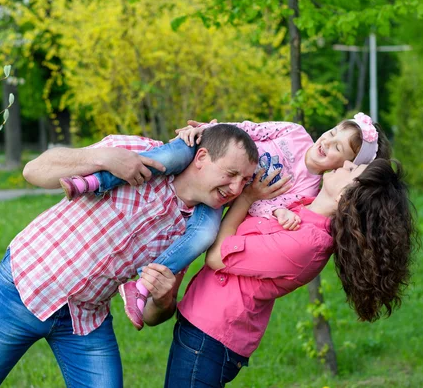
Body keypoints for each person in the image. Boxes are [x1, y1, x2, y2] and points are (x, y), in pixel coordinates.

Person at [0, 124, 265, 388]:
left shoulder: (198, 230)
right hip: (24, 286)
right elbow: (34, 171)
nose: (236, 189)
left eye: (244, 181)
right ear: (202, 157)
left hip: (84, 318)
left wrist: (164, 297)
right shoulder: (138, 152)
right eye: (230, 173)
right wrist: (103, 156)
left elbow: (153, 317)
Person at [59, 113, 391, 330]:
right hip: (216, 161)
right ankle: (94, 181)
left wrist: (279, 212)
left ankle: (142, 286)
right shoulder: (297, 133)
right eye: (331, 133)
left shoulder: (310, 190)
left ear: (341, 166)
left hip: (224, 196)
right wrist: (210, 131)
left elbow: (263, 208)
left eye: (337, 148)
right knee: (169, 156)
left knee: (202, 236)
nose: (326, 143)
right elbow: (251, 129)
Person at [162, 158, 418, 387]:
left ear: (344, 195)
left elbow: (218, 257)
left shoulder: (307, 245)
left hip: (210, 339)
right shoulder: (302, 205)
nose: (345, 163)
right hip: (200, 323)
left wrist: (247, 198)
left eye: (352, 169)